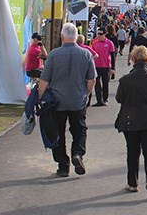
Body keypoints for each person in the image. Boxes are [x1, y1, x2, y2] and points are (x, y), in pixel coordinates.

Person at [37, 23, 96, 177]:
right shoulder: (86, 54)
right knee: (79, 130)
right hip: (78, 99)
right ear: (76, 37)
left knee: (57, 133)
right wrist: (86, 94)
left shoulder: (53, 55)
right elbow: (91, 80)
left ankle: (63, 164)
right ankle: (77, 153)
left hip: (57, 101)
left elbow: (44, 81)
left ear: (62, 36)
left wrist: (39, 98)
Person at [115, 46, 147, 199]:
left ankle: (132, 183)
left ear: (133, 59)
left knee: (132, 151)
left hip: (131, 119)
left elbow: (119, 98)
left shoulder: (125, 80)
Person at [91, 28, 116, 106]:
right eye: (98, 34)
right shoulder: (94, 43)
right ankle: (99, 100)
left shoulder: (109, 43)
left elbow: (113, 56)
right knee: (97, 84)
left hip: (106, 66)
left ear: (105, 34)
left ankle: (105, 99)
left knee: (105, 84)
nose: (99, 35)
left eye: (101, 34)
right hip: (96, 66)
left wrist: (113, 68)